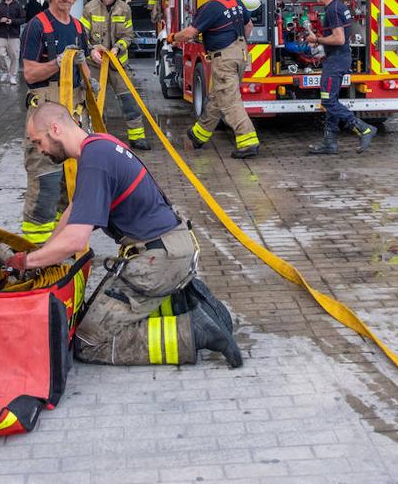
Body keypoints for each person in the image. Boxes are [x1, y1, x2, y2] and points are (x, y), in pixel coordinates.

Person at [20, 101, 241, 367]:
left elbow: (76, 240)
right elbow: (73, 211)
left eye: (38, 142)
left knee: (88, 342)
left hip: (157, 261)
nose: (39, 150)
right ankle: (199, 306)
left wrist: (27, 263)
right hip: (174, 249)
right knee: (95, 313)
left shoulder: (95, 162)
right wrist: (44, 251)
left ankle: (194, 332)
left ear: (55, 129)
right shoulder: (100, 144)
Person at [19, 0, 101, 243]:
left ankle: (62, 247)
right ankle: (35, 252)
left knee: (72, 186)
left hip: (73, 117)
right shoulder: (36, 27)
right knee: (46, 185)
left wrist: (91, 82)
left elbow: (83, 63)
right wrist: (57, 62)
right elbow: (29, 73)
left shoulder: (78, 27)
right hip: (44, 117)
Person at [168, 0, 259, 158]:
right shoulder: (236, 2)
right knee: (218, 96)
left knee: (229, 100)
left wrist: (172, 38)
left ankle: (248, 141)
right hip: (240, 54)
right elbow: (249, 26)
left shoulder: (211, 7)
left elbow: (189, 34)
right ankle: (198, 135)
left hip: (224, 58)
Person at [304, 0, 378, 155]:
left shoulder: (332, 10)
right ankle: (329, 143)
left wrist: (317, 39)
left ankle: (363, 128)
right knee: (332, 99)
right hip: (339, 58)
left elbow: (339, 38)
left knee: (328, 101)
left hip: (336, 61)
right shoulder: (340, 6)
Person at [81, 0, 150, 150]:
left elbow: (129, 35)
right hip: (95, 65)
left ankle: (137, 137)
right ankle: (96, 138)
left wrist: (118, 48)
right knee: (95, 103)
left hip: (118, 64)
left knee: (129, 100)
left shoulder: (124, 8)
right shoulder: (90, 8)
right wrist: (92, 50)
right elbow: (83, 36)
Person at [0, 0, 25, 85]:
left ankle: (12, 76)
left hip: (14, 35)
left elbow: (23, 19)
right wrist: (0, 20)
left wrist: (12, 21)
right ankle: (6, 71)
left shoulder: (18, 6)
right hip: (1, 35)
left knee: (15, 56)